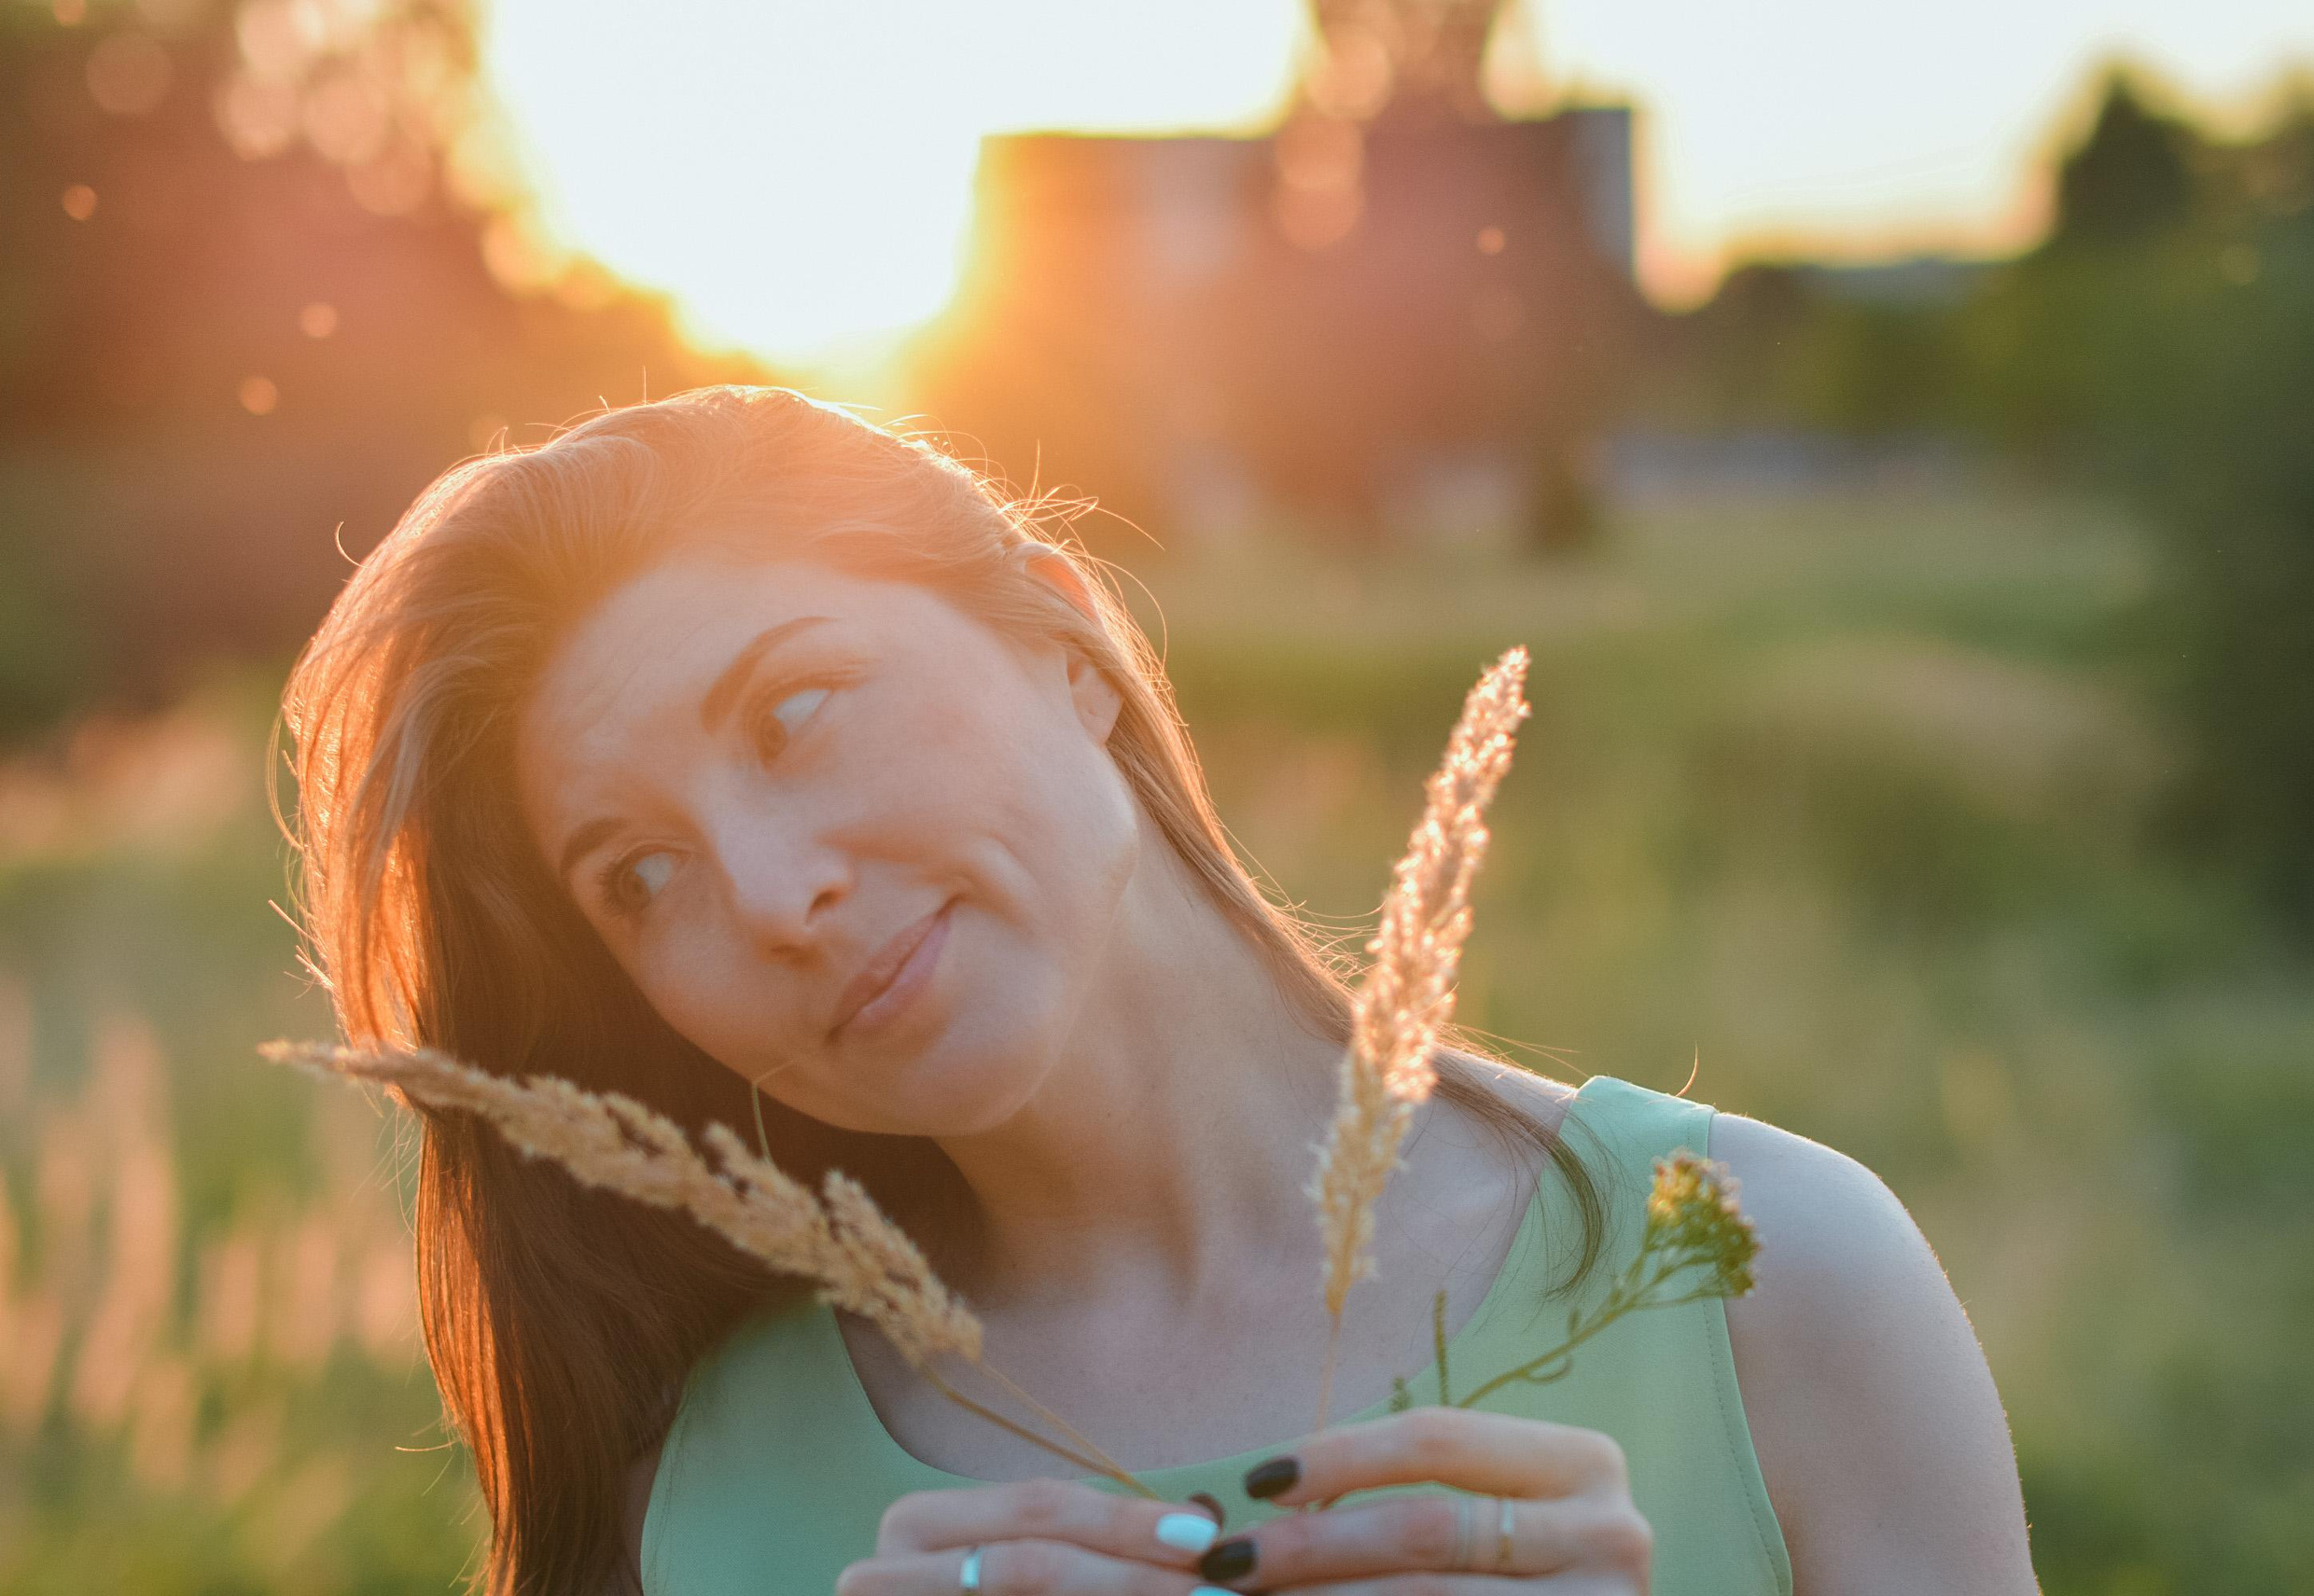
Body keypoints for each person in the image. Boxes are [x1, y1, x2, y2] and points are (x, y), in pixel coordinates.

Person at [278, 385, 2040, 1596]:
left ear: (1063, 647)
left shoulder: (1760, 1278)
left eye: (796, 713)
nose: (771, 894)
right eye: (638, 879)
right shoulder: (707, 1494)